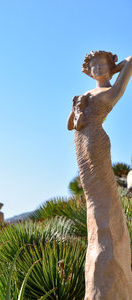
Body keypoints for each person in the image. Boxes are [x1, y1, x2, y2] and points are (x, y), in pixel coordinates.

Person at [67, 51, 132, 299]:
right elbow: (70, 125)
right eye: (93, 65)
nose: (96, 68)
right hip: (81, 146)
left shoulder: (111, 91)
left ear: (109, 66)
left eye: (101, 64)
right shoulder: (86, 94)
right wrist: (76, 106)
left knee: (102, 200)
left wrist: (112, 70)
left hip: (96, 142)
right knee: (92, 201)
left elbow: (131, 60)